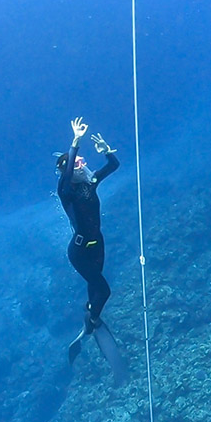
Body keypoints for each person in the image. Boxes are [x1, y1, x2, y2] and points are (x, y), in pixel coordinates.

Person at [56, 117, 124, 375]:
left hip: (97, 245)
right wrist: (75, 142)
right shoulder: (67, 192)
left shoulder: (90, 182)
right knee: (103, 290)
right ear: (69, 171)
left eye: (83, 162)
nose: (84, 165)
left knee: (95, 288)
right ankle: (92, 321)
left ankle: (89, 310)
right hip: (80, 252)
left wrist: (106, 149)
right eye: (79, 164)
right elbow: (68, 169)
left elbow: (114, 165)